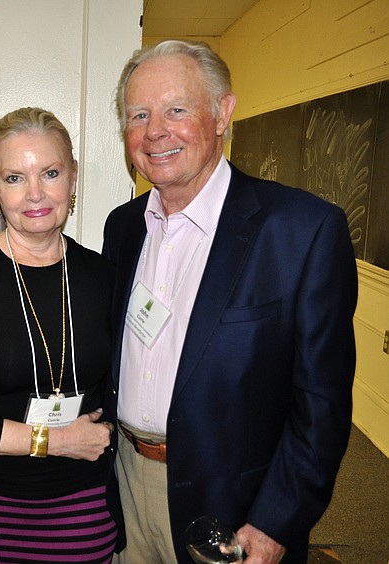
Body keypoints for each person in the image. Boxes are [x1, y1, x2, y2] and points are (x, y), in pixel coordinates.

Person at [102, 39, 358, 563]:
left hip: (233, 512)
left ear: (222, 113)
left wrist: (273, 526)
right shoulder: (122, 228)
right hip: (125, 490)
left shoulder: (302, 232)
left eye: (177, 109)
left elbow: (322, 409)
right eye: (139, 115)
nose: (155, 131)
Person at [0, 107, 121, 562]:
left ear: (72, 179)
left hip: (82, 503)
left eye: (50, 173)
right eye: (15, 178)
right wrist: (56, 441)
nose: (35, 193)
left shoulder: (103, 275)